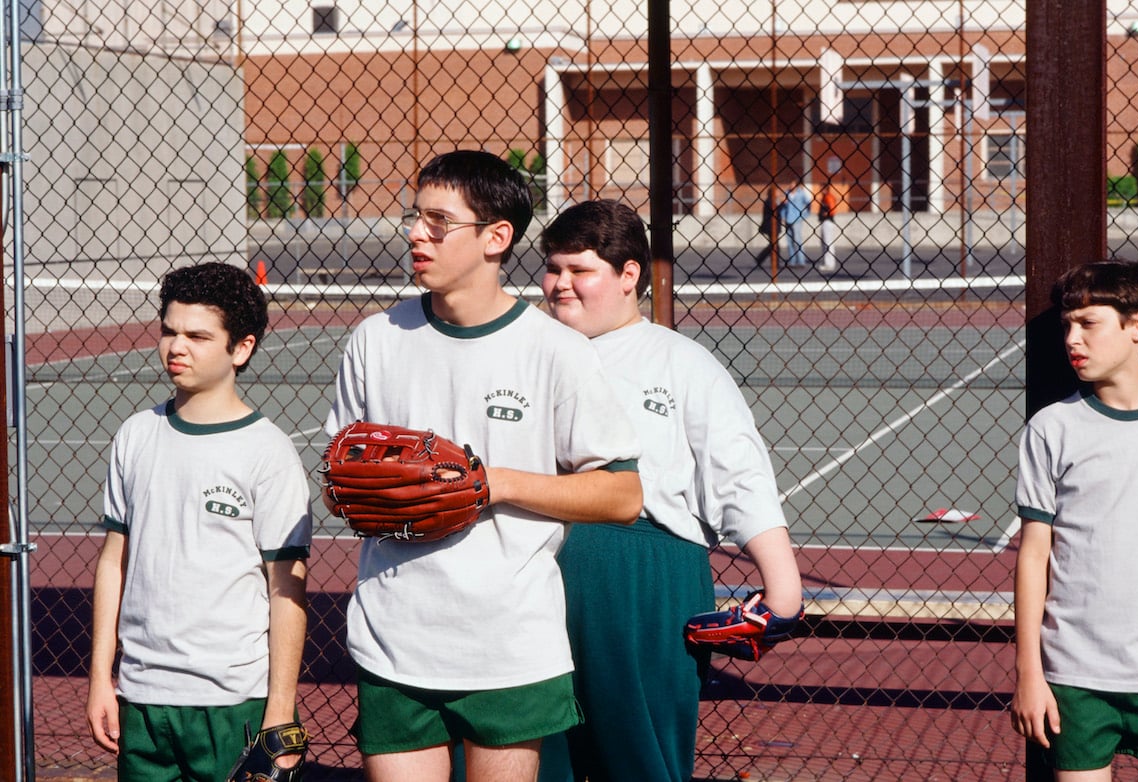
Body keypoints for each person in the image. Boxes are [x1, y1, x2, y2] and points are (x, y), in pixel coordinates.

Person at [324, 150, 643, 782]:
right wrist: (368, 493)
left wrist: (490, 484)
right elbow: (339, 485)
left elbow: (622, 494)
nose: (417, 233)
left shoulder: (555, 350)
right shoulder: (376, 339)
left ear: (497, 237)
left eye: (439, 222)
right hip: (396, 638)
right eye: (416, 217)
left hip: (509, 644)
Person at [537, 199, 805, 782]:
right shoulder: (529, 351)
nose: (561, 284)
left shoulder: (681, 361)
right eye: (552, 268)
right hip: (535, 569)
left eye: (579, 270)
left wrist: (783, 587)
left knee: (639, 757)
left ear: (628, 273)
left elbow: (737, 473)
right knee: (534, 753)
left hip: (644, 573)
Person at [86, 262, 312, 781]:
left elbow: (287, 588)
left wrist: (279, 709)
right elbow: (113, 563)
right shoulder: (135, 435)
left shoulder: (268, 451)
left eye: (197, 335)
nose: (176, 346)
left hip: (233, 703)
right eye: (168, 331)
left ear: (242, 348)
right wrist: (102, 676)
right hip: (142, 698)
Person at [1011, 259, 1138, 781]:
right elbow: (1033, 557)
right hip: (1075, 676)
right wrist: (1030, 672)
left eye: (1089, 323)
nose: (1073, 338)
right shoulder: (1052, 429)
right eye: (1067, 325)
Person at [777, 179, 812, 268]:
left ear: (796, 185)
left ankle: (801, 261)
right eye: (790, 184)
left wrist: (805, 214)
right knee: (789, 241)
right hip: (788, 219)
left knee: (797, 240)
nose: (791, 186)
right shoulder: (787, 193)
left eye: (792, 184)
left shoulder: (801, 193)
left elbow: (809, 203)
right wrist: (783, 216)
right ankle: (792, 261)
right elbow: (784, 207)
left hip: (797, 219)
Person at [816, 183, 838, 273]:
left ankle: (829, 264)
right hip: (824, 222)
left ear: (826, 189)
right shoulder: (824, 197)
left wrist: (826, 214)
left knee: (828, 243)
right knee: (825, 243)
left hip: (827, 222)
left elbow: (833, 210)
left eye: (822, 188)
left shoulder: (829, 197)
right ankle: (827, 262)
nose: (820, 190)